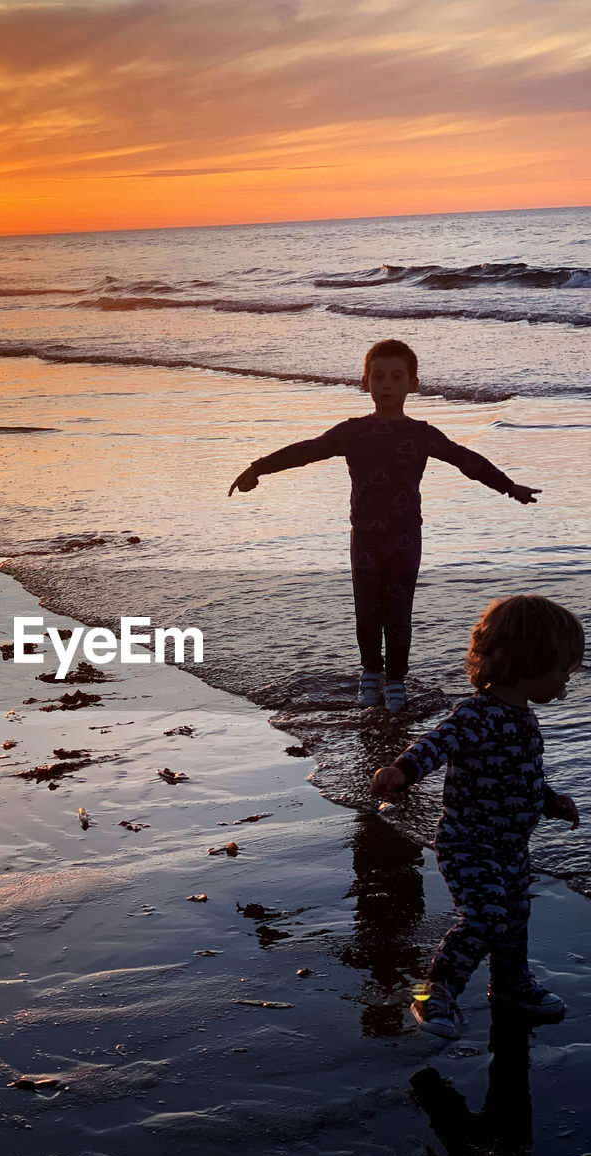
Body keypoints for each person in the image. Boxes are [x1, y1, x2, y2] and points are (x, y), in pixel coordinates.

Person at [227, 339, 540, 713]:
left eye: (396, 376)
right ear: (365, 383)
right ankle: (371, 675)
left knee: (398, 612)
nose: (386, 384)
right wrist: (258, 467)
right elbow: (307, 450)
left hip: (405, 537)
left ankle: (396, 681)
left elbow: (466, 460)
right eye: (378, 376)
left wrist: (508, 487)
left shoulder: (422, 434)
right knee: (367, 612)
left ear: (413, 383)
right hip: (365, 537)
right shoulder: (352, 432)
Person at [371, 595, 584, 1040]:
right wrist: (402, 771)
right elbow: (435, 742)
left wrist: (549, 800)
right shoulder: (477, 713)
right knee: (486, 916)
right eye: (563, 668)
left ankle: (510, 983)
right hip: (468, 842)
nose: (569, 679)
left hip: (510, 847)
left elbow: (516, 775)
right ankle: (431, 994)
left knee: (515, 918)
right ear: (529, 661)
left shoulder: (522, 717)